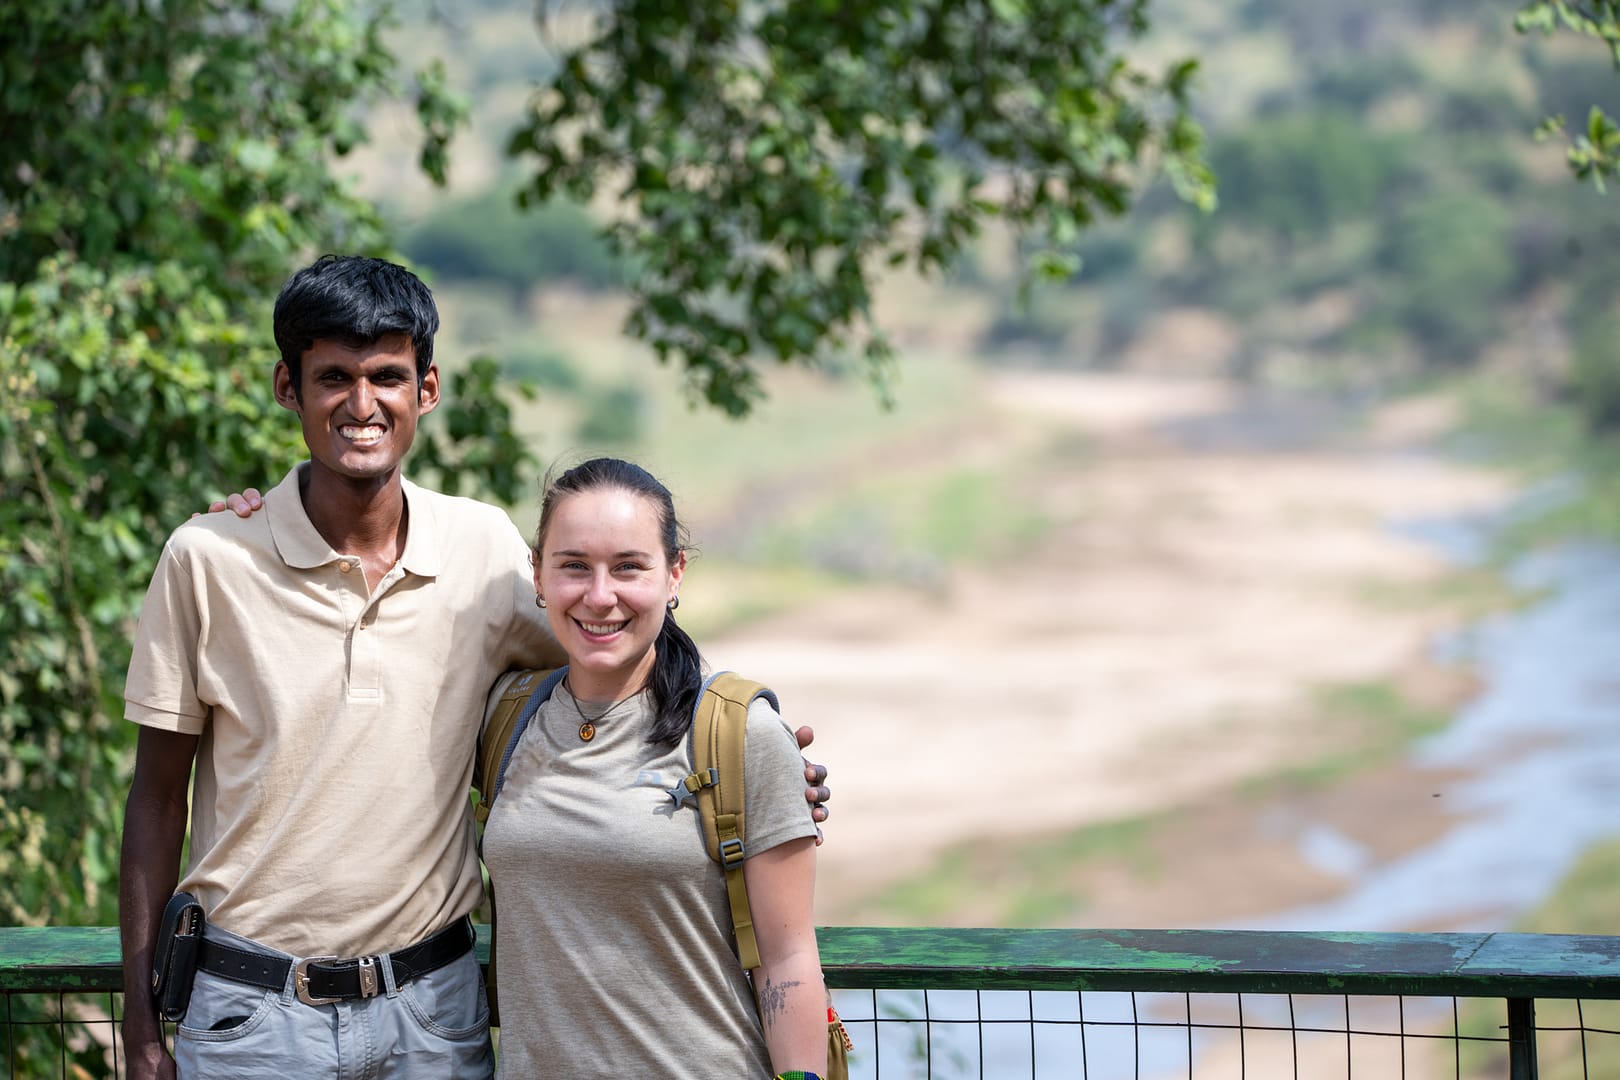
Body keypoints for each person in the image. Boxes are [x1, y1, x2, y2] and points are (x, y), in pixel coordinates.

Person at [117, 256, 829, 1080]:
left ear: (427, 389)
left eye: (387, 376)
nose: (361, 405)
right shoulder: (207, 558)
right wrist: (141, 1032)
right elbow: (157, 798)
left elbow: (613, 644)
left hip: (434, 1011)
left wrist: (758, 758)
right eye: (332, 378)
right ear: (288, 387)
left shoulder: (484, 549)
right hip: (252, 1015)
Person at [480, 456, 828, 1078]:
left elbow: (788, 956)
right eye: (574, 566)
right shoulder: (505, 718)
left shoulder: (737, 732)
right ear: (537, 572)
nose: (600, 595)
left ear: (674, 575)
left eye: (628, 567)